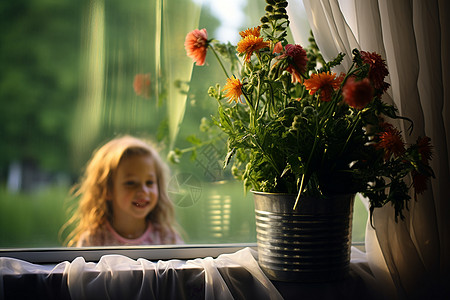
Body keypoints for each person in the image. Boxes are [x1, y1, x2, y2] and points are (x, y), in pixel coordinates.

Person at [63, 135, 183, 246]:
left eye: (149, 182)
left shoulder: (166, 238)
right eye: (131, 183)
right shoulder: (94, 240)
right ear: (108, 190)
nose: (144, 191)